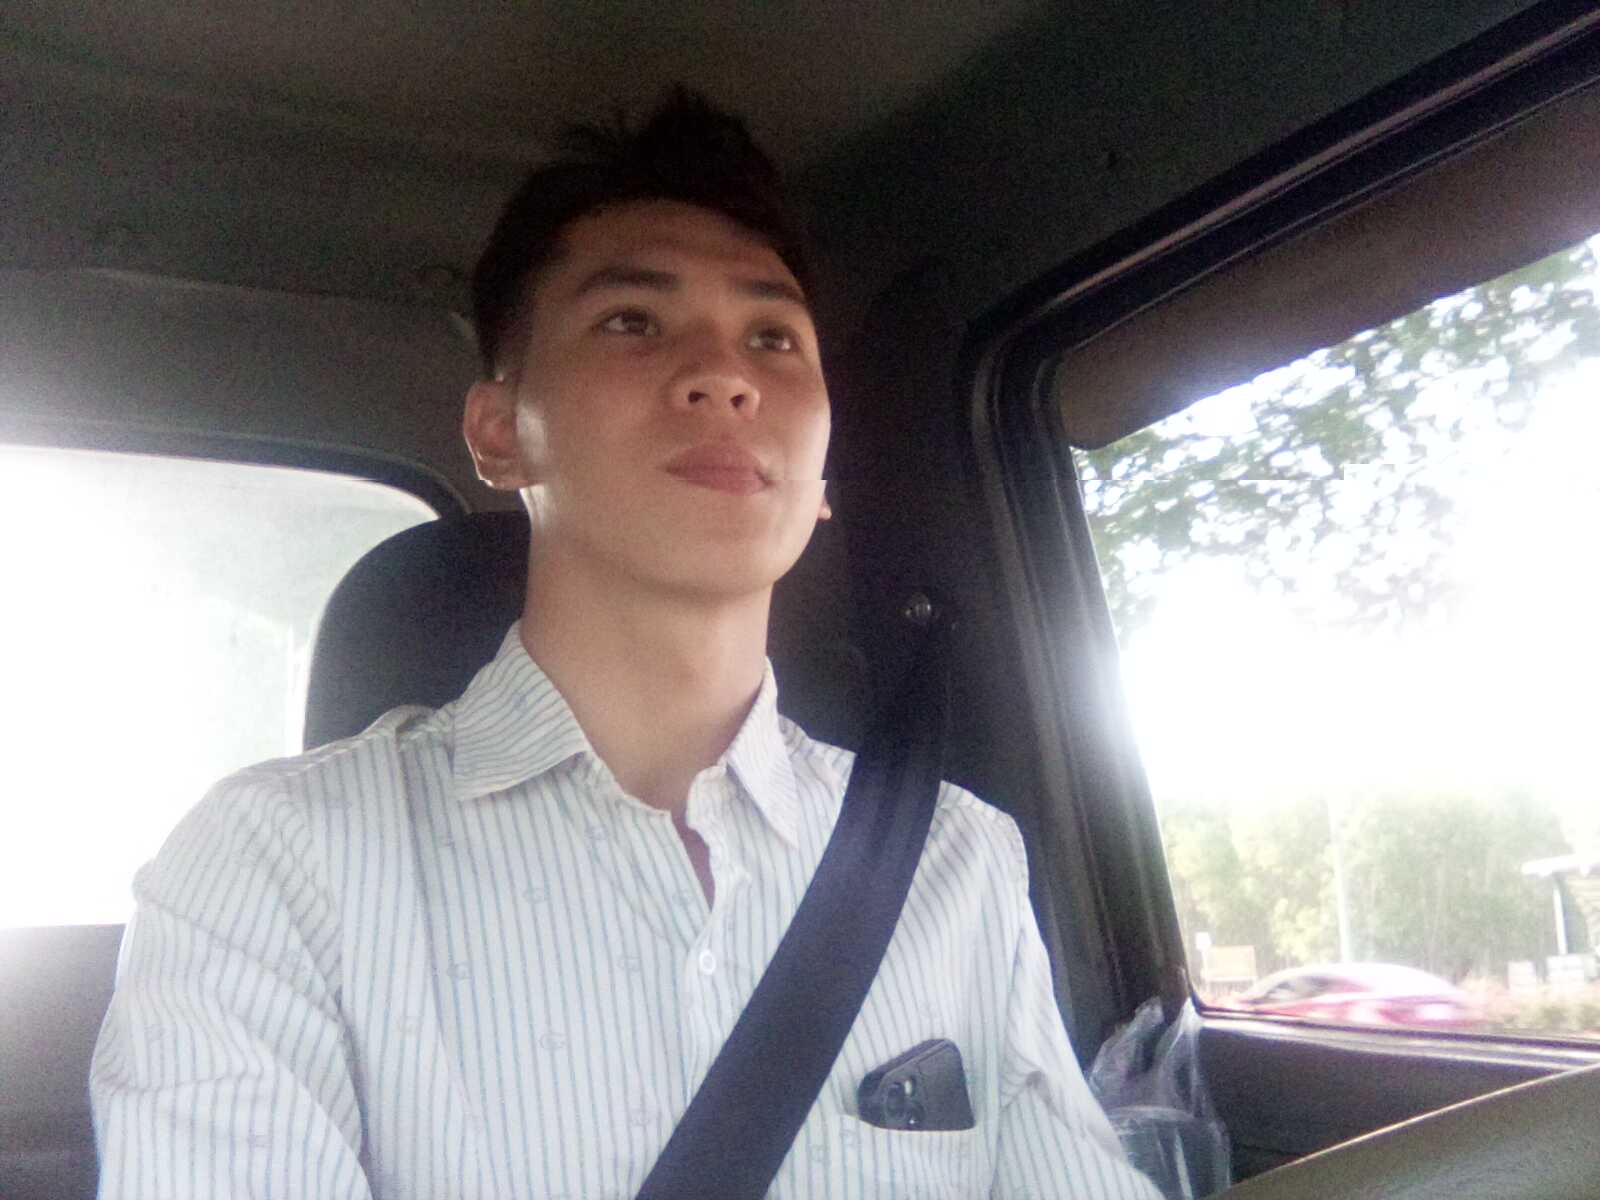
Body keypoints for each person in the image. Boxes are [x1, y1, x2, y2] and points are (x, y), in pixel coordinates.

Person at [90, 87, 1159, 1200]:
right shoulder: (271, 867)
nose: (726, 376)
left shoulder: (955, 857)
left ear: (821, 469)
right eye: (633, 322)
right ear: (499, 433)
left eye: (773, 339)